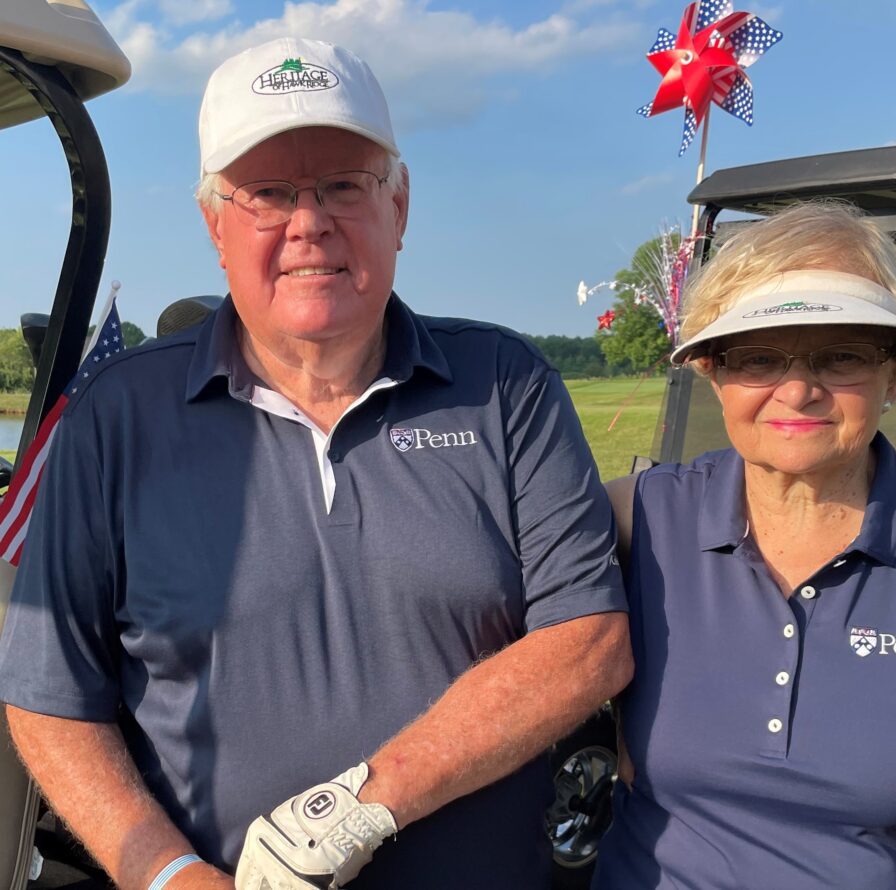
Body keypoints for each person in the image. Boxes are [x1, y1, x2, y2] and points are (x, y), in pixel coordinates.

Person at [0, 38, 632, 890]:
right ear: (215, 224)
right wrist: (169, 875)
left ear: (398, 206)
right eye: (268, 193)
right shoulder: (116, 417)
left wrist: (362, 804)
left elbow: (588, 641)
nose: (309, 223)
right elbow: (49, 697)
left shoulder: (505, 384)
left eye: (343, 185)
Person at [592, 201, 896, 889]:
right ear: (713, 373)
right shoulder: (634, 520)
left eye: (842, 356)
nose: (797, 390)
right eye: (758, 358)